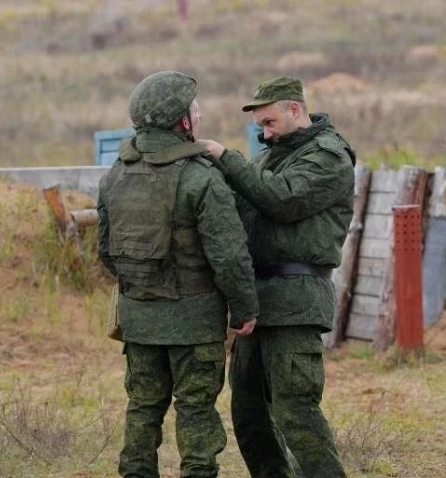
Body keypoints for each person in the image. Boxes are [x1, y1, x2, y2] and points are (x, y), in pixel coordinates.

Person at [97, 70, 259, 478]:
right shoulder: (200, 177)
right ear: (181, 121)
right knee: (196, 408)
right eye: (194, 110)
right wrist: (244, 309)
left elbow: (105, 251)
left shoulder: (115, 175)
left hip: (138, 320)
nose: (199, 115)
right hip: (196, 322)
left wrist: (143, 288)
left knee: (142, 406)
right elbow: (229, 256)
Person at [199, 76, 356, 478]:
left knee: (294, 409)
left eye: (270, 122)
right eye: (260, 127)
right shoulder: (270, 157)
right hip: (257, 299)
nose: (265, 133)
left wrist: (225, 157)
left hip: (296, 298)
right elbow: (242, 205)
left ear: (295, 109)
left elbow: (282, 199)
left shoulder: (328, 156)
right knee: (249, 411)